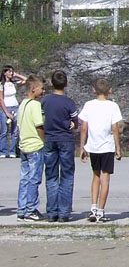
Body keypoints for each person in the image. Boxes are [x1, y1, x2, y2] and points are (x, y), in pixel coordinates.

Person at [79, 77, 123, 223]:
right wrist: (118, 147)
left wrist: (82, 147)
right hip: (107, 146)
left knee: (96, 176)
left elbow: (84, 127)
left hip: (93, 146)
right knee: (105, 178)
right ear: (110, 91)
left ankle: (93, 207)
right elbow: (115, 128)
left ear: (94, 90)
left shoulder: (88, 105)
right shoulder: (112, 106)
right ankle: (101, 210)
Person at [42, 70, 79, 222]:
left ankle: (52, 212)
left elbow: (42, 118)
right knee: (67, 175)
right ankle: (64, 212)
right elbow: (75, 123)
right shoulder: (69, 102)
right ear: (66, 84)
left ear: (51, 84)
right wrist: (70, 124)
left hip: (50, 138)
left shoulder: (45, 101)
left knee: (51, 176)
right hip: (65, 139)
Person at [15, 75, 45, 221]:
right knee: (34, 179)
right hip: (34, 145)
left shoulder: (23, 103)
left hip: (24, 145)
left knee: (25, 178)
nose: (43, 91)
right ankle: (30, 209)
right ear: (33, 89)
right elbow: (39, 125)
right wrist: (43, 140)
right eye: (41, 88)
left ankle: (21, 208)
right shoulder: (35, 105)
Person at [1, 65, 26, 158]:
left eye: (12, 71)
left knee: (15, 131)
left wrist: (17, 75)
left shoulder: (14, 83)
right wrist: (7, 112)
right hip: (5, 108)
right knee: (4, 130)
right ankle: (3, 151)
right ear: (5, 73)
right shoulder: (1, 84)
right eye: (9, 71)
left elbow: (27, 80)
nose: (11, 73)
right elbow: (1, 99)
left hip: (15, 107)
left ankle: (12, 151)